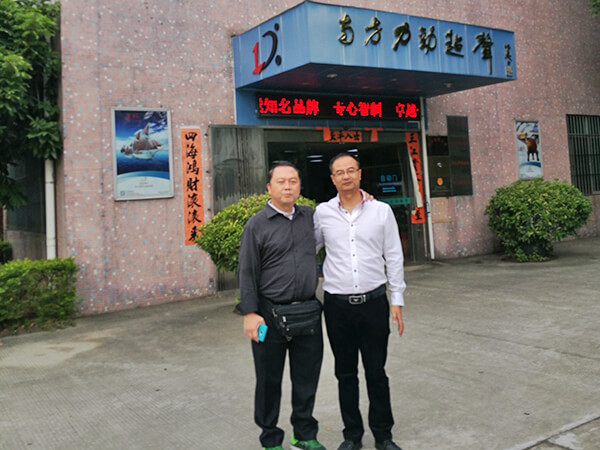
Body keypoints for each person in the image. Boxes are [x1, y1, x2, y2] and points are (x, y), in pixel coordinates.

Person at [314, 153, 406, 450]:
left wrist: (397, 299)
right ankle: (352, 436)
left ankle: (383, 435)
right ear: (332, 179)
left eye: (350, 170)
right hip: (337, 306)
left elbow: (393, 255)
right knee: (345, 374)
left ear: (359, 174)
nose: (346, 176)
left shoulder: (381, 211)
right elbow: (306, 249)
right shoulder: (322, 213)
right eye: (339, 172)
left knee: (376, 372)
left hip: (374, 303)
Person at [237, 161, 327, 450]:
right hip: (268, 315)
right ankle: (270, 439)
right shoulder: (257, 224)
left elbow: (343, 213)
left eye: (293, 181)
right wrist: (250, 312)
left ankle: (304, 434)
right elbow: (246, 271)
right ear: (269, 187)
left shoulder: (310, 217)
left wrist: (365, 198)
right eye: (281, 181)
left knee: (307, 377)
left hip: (307, 312)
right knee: (268, 380)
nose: (288, 186)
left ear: (300, 186)